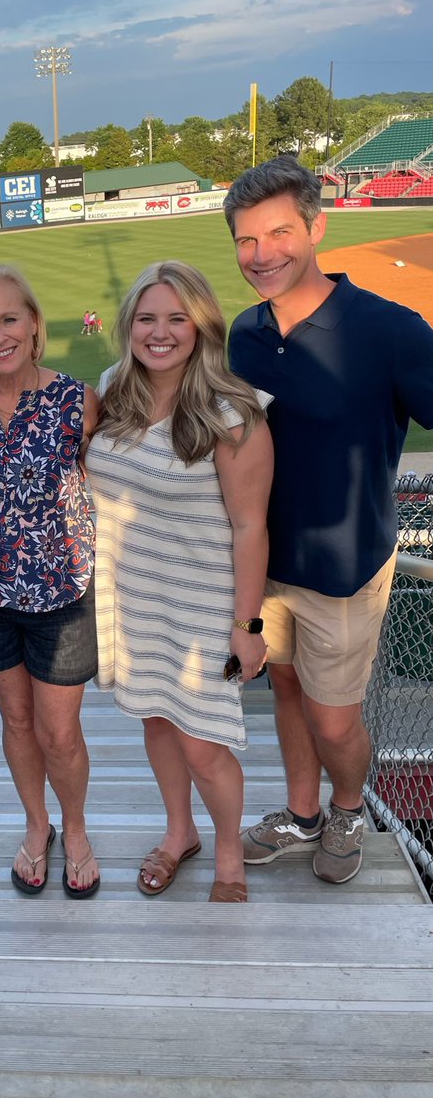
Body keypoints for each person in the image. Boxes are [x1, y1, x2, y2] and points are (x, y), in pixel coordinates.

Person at [225, 156, 433, 884]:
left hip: (345, 569)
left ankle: (347, 810)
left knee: (334, 718)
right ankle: (302, 812)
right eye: (245, 241)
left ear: (316, 227)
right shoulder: (244, 336)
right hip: (264, 563)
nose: (261, 255)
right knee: (283, 689)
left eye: (278, 233)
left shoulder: (391, 330)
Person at [87, 261, 273, 903]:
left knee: (204, 744)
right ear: (129, 326)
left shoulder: (233, 414)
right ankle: (178, 832)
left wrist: (248, 628)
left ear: (202, 328)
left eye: (176, 319)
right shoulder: (114, 390)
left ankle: (228, 853)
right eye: (147, 318)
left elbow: (251, 528)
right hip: (133, 601)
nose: (160, 332)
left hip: (200, 607)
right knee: (156, 722)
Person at [0, 265, 101, 899]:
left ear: (35, 322)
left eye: (9, 319)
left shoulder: (78, 400)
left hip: (60, 596)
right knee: (15, 720)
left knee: (59, 730)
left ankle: (77, 829)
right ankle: (37, 827)